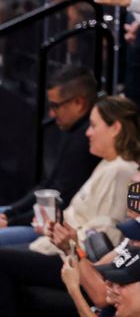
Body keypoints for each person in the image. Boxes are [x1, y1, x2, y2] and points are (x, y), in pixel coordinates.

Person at [0, 96, 140, 313]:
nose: (87, 133)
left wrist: (66, 240)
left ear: (115, 128)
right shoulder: (108, 164)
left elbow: (105, 236)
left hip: (73, 255)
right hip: (62, 247)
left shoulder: (122, 170)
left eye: (93, 125)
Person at [0, 67, 98, 246]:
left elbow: (61, 201)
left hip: (57, 228)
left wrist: (11, 220)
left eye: (55, 106)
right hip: (41, 219)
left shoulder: (86, 142)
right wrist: (10, 213)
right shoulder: (74, 131)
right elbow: (48, 186)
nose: (51, 114)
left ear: (79, 103)